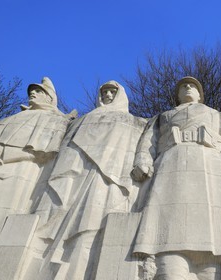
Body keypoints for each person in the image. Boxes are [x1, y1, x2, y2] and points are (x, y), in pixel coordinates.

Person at [132, 76, 221, 279]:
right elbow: (148, 142)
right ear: (177, 95)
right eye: (183, 86)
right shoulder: (163, 116)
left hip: (210, 164)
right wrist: (142, 162)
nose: (187, 87)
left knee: (214, 228)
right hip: (171, 161)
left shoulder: (216, 114)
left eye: (192, 85)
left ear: (200, 94)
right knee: (166, 225)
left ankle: (212, 266)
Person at [31, 81, 147, 279]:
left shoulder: (132, 121)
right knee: (68, 224)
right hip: (78, 174)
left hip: (107, 179)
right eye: (104, 92)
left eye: (112, 91)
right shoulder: (83, 120)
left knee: (92, 224)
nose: (108, 95)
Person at [0, 77, 71, 260]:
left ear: (49, 98)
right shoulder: (15, 117)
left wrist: (6, 155)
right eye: (32, 91)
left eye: (39, 91)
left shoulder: (55, 119)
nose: (33, 93)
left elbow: (43, 153)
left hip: (17, 173)